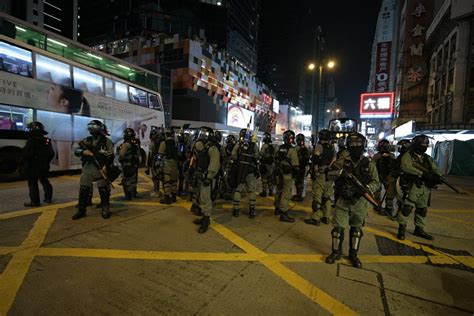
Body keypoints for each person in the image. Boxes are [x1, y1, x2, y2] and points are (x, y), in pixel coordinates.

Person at [326, 132, 379, 268]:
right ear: (348, 146)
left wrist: (366, 187)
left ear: (363, 145)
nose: (356, 147)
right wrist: (340, 173)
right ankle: (335, 252)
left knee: (356, 230)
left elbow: (376, 183)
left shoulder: (369, 164)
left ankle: (353, 254)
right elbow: (329, 174)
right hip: (343, 200)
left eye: (358, 144)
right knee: (337, 230)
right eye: (352, 144)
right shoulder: (342, 162)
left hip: (360, 202)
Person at [397, 135, 442, 241]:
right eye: (422, 145)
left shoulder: (427, 158)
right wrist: (422, 174)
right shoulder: (408, 156)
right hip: (413, 186)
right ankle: (401, 229)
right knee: (407, 208)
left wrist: (437, 177)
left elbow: (436, 169)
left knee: (422, 209)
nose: (424, 147)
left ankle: (419, 229)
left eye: (425, 145)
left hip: (425, 187)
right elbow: (406, 167)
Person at [73, 120, 114, 220]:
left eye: (94, 127)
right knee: (84, 189)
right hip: (88, 168)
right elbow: (76, 151)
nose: (92, 130)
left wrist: (106, 166)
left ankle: (105, 208)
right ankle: (81, 210)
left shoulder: (106, 141)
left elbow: (111, 155)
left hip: (101, 168)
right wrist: (83, 152)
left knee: (103, 189)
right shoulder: (87, 140)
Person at [192, 127, 221, 233]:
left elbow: (214, 164)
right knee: (201, 197)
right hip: (201, 175)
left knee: (206, 199)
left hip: (207, 177)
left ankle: (206, 221)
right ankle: (204, 217)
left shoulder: (212, 148)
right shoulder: (204, 146)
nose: (202, 135)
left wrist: (209, 177)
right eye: (202, 133)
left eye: (205, 133)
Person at [19, 121, 54, 207]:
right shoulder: (46, 140)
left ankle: (35, 202)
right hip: (44, 166)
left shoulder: (31, 141)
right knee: (45, 181)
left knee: (33, 183)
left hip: (33, 167)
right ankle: (48, 198)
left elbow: (26, 154)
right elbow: (51, 154)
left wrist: (22, 164)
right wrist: (46, 162)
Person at [305, 129, 335, 226]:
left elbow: (316, 159)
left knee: (317, 197)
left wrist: (315, 170)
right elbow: (335, 159)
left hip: (320, 174)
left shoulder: (319, 146)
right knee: (327, 197)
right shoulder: (332, 147)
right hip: (329, 175)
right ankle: (326, 217)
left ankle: (315, 218)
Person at [231, 128, 260, 218]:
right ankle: (252, 211)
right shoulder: (253, 145)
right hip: (250, 171)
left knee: (238, 189)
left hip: (240, 171)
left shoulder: (239, 144)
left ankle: (236, 210)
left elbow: (233, 155)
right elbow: (256, 156)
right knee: (251, 190)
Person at [274, 130, 299, 223]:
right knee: (286, 193)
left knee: (279, 191)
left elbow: (275, 159)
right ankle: (284, 213)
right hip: (287, 175)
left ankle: (277, 209)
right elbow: (295, 164)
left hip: (278, 174)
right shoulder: (292, 150)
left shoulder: (279, 148)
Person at [372, 139, 396, 215]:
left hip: (379, 175)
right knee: (389, 193)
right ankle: (389, 208)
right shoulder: (392, 155)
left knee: (377, 192)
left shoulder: (377, 156)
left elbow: (372, 166)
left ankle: (377, 205)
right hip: (388, 176)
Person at [118, 128, 140, 200]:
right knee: (133, 180)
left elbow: (121, 155)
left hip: (127, 165)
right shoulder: (135, 145)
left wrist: (120, 159)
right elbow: (138, 155)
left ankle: (128, 196)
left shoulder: (126, 144)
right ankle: (134, 193)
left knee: (126, 181)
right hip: (134, 165)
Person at [158, 130, 179, 204]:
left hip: (167, 163)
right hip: (175, 164)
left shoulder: (163, 143)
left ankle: (167, 198)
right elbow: (179, 153)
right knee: (174, 181)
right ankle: (174, 197)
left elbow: (160, 154)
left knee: (166, 181)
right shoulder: (176, 143)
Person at [147, 127, 165, 197]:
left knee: (155, 177)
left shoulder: (152, 144)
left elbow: (150, 155)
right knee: (162, 176)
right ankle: (165, 191)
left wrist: (148, 166)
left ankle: (156, 191)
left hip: (154, 162)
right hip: (161, 162)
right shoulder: (162, 142)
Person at [292, 133, 310, 202]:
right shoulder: (306, 148)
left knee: (298, 182)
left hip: (297, 167)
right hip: (303, 167)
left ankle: (299, 196)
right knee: (301, 181)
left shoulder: (296, 148)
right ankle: (299, 195)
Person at [220, 134, 237, 200]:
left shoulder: (234, 148)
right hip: (226, 165)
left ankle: (228, 192)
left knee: (229, 179)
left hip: (231, 166)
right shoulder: (225, 148)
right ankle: (226, 192)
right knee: (225, 179)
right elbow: (223, 156)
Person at [259, 132, 276, 197]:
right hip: (271, 164)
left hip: (265, 163)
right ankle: (271, 191)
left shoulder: (264, 145)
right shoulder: (272, 145)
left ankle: (264, 191)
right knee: (270, 178)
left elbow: (262, 154)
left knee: (264, 178)